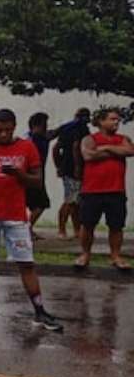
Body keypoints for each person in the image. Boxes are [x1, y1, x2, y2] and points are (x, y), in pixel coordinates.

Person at [0, 108, 62, 331]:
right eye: (0, 129)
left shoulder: (26, 147)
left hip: (15, 215)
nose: (3, 134)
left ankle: (39, 309)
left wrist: (18, 174)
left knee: (26, 263)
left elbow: (37, 182)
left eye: (8, 130)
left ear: (14, 127)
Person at [76, 107, 133, 271]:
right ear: (101, 121)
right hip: (92, 190)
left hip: (116, 190)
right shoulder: (89, 138)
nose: (116, 122)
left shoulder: (124, 138)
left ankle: (116, 256)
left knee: (116, 225)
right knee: (87, 224)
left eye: (118, 119)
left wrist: (105, 148)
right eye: (112, 119)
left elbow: (130, 150)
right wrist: (116, 152)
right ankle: (85, 254)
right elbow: (88, 155)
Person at [52, 108, 92, 239]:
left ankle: (76, 230)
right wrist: (78, 167)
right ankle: (62, 230)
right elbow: (76, 147)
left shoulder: (66, 128)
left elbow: (56, 148)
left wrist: (58, 166)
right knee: (70, 200)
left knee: (76, 201)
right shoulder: (81, 128)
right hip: (74, 169)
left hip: (67, 167)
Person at [24, 112, 54, 237]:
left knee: (34, 204)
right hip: (33, 176)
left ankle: (28, 229)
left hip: (35, 175)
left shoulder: (31, 137)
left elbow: (53, 133)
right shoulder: (35, 139)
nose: (46, 127)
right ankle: (26, 229)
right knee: (41, 204)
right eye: (44, 125)